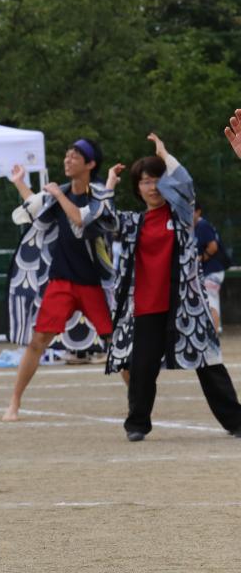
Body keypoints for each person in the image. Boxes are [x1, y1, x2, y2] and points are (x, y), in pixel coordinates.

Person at [103, 134, 241, 441]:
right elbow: (102, 221)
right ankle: (137, 424)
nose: (152, 188)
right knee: (142, 368)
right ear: (137, 188)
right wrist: (110, 183)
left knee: (209, 365)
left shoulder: (181, 215)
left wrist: (164, 153)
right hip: (147, 306)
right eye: (145, 182)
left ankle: (236, 421)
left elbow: (185, 185)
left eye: (157, 180)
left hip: (186, 304)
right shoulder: (132, 222)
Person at [4, 139, 118, 422]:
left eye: (75, 156)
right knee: (38, 340)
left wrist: (57, 193)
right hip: (62, 280)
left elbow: (81, 219)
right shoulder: (61, 194)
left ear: (90, 165)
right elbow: (35, 206)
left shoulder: (100, 194)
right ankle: (14, 403)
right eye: (67, 155)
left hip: (94, 283)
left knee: (115, 341)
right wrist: (20, 183)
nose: (68, 160)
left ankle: (137, 403)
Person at [194, 203, 229, 332]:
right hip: (208, 271)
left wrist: (200, 258)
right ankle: (216, 327)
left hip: (213, 270)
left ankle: (214, 329)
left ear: (198, 212)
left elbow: (213, 247)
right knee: (212, 298)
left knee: (210, 298)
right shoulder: (194, 227)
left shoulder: (202, 225)